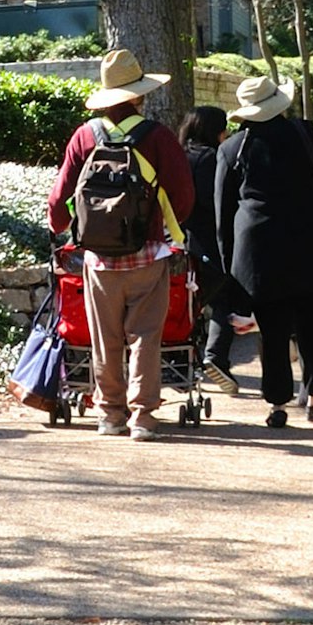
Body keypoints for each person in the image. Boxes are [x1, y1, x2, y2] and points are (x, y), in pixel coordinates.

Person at [43, 49, 197, 439]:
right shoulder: (158, 137)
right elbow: (182, 195)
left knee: (104, 336)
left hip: (97, 258)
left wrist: (59, 225)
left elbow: (60, 195)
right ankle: (142, 416)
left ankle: (109, 414)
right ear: (140, 96)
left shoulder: (85, 136)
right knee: (146, 334)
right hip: (147, 255)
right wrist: (168, 231)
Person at [205, 73, 313, 427]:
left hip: (259, 251)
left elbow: (222, 213)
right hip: (311, 241)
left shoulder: (231, 148)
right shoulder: (306, 134)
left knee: (272, 331)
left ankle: (278, 405)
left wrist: (229, 268)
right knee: (312, 324)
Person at [179, 101, 245, 390]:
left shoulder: (178, 155)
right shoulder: (211, 158)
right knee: (227, 298)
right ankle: (215, 356)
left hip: (177, 243)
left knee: (184, 305)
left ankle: (183, 361)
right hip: (209, 244)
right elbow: (216, 203)